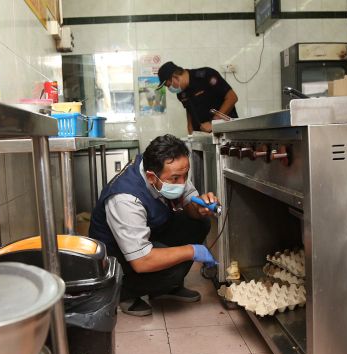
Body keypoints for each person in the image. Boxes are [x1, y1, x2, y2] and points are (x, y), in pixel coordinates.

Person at [89, 134, 219, 316]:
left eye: (185, 175)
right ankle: (124, 291)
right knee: (173, 269)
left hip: (149, 232)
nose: (182, 183)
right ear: (151, 177)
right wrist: (192, 251)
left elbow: (189, 201)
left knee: (199, 223)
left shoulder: (165, 166)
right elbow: (142, 261)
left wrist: (200, 207)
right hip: (118, 258)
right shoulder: (125, 199)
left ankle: (164, 289)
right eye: (175, 179)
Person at [157, 61, 238, 133]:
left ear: (175, 77)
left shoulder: (206, 75)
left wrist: (213, 122)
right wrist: (190, 129)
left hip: (226, 131)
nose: (169, 88)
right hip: (204, 135)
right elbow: (189, 110)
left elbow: (232, 97)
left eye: (168, 85)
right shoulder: (180, 93)